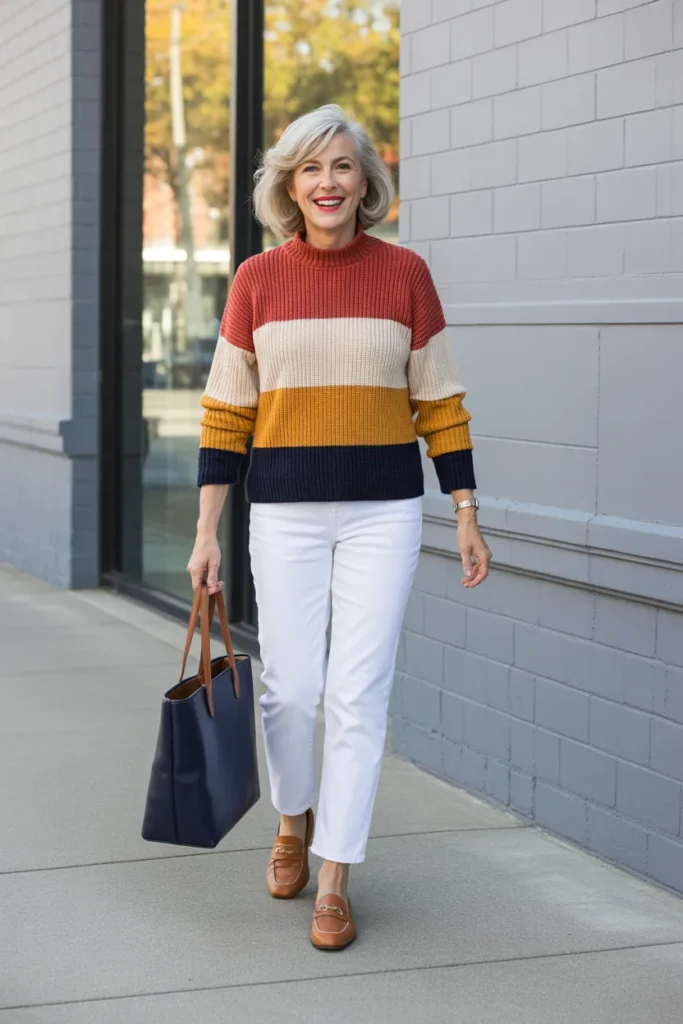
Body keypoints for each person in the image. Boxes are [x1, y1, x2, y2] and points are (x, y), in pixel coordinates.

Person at [187, 104, 491, 950]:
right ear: (289, 186)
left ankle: (334, 873)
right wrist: (207, 531)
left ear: (366, 183)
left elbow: (440, 402)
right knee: (289, 689)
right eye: (311, 168)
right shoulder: (256, 280)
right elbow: (226, 412)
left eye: (342, 167)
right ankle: (293, 820)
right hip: (283, 512)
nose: (327, 182)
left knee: (358, 695)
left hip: (381, 513)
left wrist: (465, 509)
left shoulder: (405, 275)